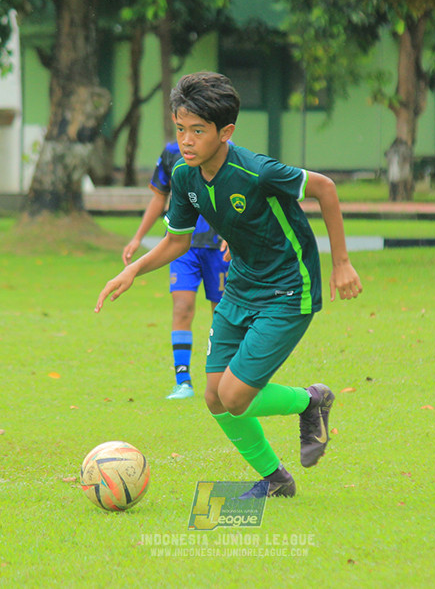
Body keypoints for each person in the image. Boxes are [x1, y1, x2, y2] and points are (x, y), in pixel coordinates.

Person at [96, 71, 362, 497]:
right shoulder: (184, 177)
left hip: (288, 288)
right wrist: (132, 270)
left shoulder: (255, 170)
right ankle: (276, 480)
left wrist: (342, 264)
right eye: (180, 129)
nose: (186, 141)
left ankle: (310, 400)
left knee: (235, 396)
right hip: (241, 285)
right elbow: (176, 241)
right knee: (214, 398)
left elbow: (325, 190)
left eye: (197, 131)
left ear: (226, 132)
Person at [122, 141, 231, 400]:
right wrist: (138, 237)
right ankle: (183, 381)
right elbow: (159, 198)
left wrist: (233, 233)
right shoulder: (171, 153)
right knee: (182, 307)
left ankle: (224, 381)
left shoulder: (225, 149)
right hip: (182, 246)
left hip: (218, 246)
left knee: (222, 315)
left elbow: (234, 197)